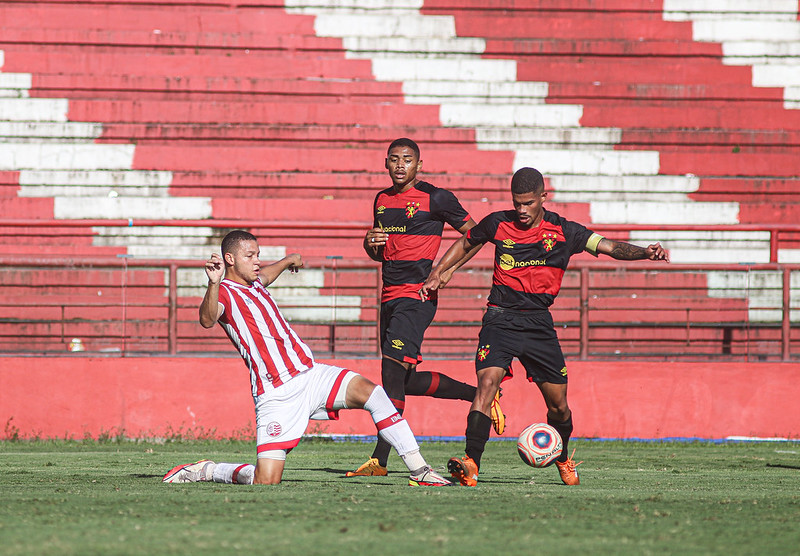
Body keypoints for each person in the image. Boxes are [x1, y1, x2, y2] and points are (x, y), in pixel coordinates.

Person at [420, 167, 669, 487]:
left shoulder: (564, 231)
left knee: (559, 406)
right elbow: (468, 243)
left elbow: (609, 246)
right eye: (516, 203)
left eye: (527, 203)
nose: (521, 210)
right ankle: (471, 462)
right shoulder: (498, 222)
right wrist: (441, 271)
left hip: (538, 324)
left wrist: (645, 253)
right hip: (499, 318)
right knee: (486, 386)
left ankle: (562, 457)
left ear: (542, 198)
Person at [162, 230, 451, 487]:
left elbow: (268, 274)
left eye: (258, 255)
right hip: (277, 393)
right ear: (230, 259)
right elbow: (206, 319)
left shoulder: (256, 283)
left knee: (373, 393)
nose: (257, 261)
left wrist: (288, 261)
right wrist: (212, 283)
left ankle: (420, 469)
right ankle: (208, 471)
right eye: (250, 256)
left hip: (311, 374)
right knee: (266, 479)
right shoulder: (224, 292)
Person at [346, 138, 505, 478]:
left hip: (415, 298)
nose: (400, 165)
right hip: (388, 296)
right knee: (405, 381)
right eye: (393, 159)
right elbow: (381, 251)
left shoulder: (437, 198)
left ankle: (381, 460)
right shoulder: (382, 200)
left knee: (390, 374)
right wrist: (369, 244)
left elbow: (475, 235)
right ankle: (478, 395)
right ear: (386, 164)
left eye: (407, 159)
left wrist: (444, 271)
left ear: (419, 164)